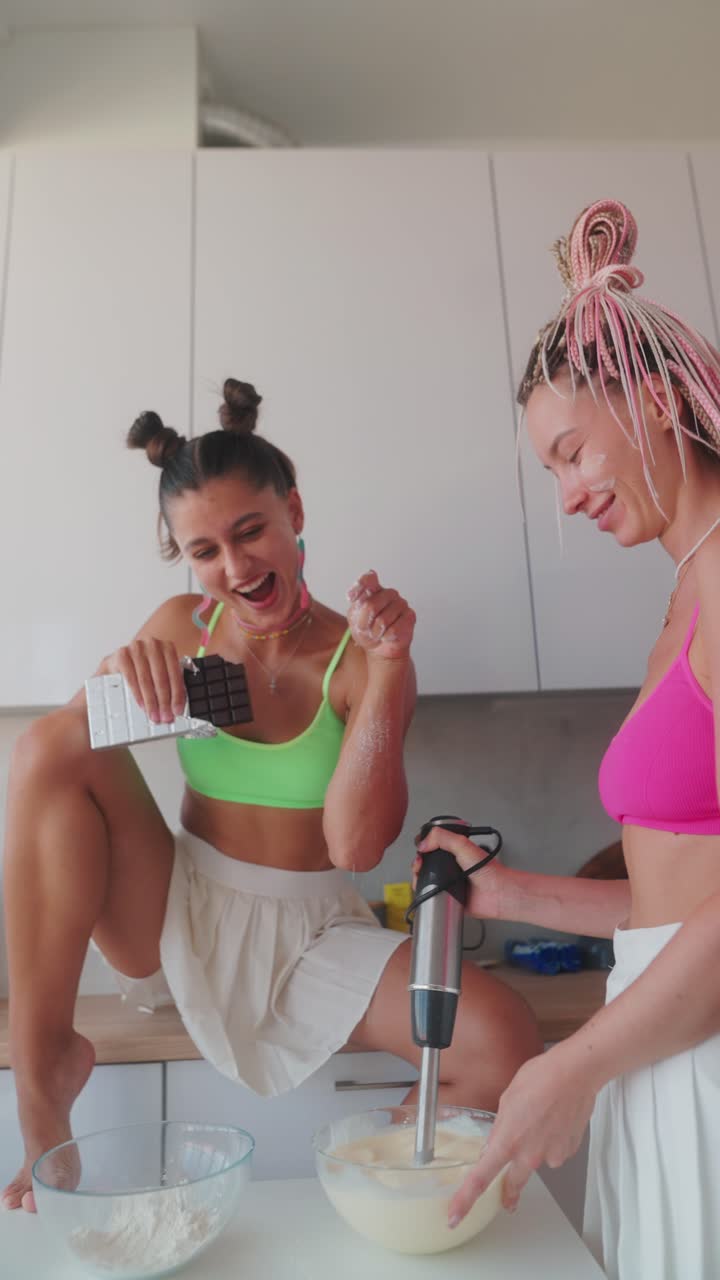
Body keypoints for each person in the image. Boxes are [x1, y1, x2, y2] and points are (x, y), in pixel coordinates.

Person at [2, 377, 541, 1212]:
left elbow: (357, 848)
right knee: (46, 742)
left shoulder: (360, 657)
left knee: (503, 1035)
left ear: (294, 512)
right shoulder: (188, 625)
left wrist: (389, 668)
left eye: (251, 532)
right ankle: (43, 1075)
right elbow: (60, 771)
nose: (235, 567)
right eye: (206, 551)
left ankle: (382, 1188)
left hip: (312, 932)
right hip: (176, 911)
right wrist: (113, 678)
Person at [416, 199, 720, 1279]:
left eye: (572, 450)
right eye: (548, 470)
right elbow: (673, 903)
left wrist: (574, 1066)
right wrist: (509, 892)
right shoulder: (686, 589)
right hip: (666, 1040)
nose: (567, 493)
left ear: (658, 397)